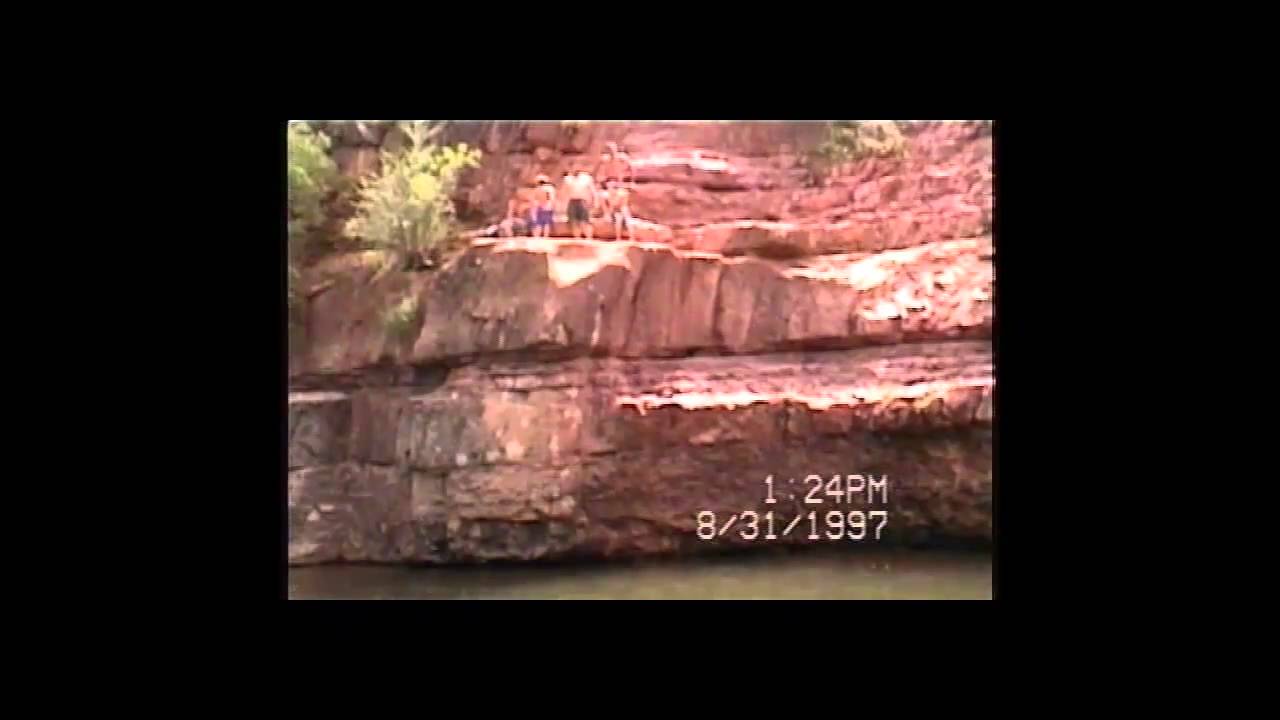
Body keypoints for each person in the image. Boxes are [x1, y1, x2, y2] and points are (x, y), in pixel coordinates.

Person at [565, 168, 597, 239]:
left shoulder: (586, 178)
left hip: (583, 201)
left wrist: (595, 201)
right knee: (573, 221)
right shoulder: (568, 179)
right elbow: (565, 191)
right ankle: (577, 238)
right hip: (572, 201)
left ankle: (589, 238)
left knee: (585, 221)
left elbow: (593, 190)